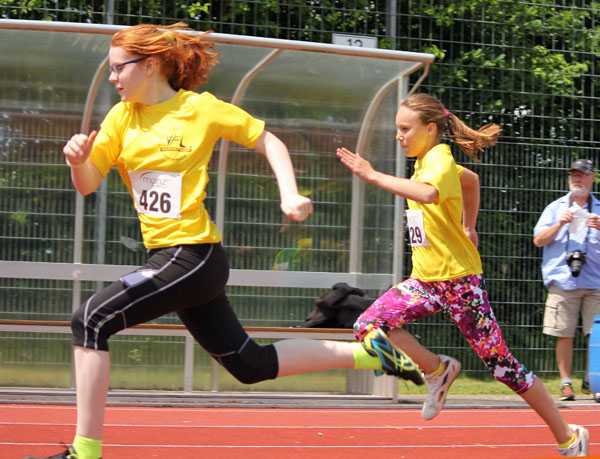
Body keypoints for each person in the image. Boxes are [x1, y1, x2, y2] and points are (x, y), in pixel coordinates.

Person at [25, 22, 425, 459]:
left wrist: (288, 192)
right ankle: (369, 353)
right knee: (248, 365)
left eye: (119, 68)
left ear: (152, 64)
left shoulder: (201, 109)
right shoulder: (122, 117)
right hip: (169, 259)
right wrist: (77, 160)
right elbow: (87, 184)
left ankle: (85, 452)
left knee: (92, 319)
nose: (113, 77)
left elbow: (269, 139)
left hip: (193, 256)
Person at [336, 93, 590, 456]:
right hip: (425, 282)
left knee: (504, 368)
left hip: (459, 284)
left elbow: (428, 193)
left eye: (405, 129)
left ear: (430, 128)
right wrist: (469, 225)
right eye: (397, 129)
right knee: (370, 325)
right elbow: (470, 180)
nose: (399, 136)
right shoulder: (425, 160)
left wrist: (372, 174)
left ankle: (568, 436)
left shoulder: (438, 161)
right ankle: (438, 370)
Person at [533, 159, 600, 403]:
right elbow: (538, 240)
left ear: (592, 178)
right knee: (564, 333)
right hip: (563, 282)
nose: (577, 179)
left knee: (597, 336)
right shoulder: (554, 209)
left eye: (582, 175)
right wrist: (559, 223)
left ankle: (595, 381)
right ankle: (566, 383)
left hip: (596, 282)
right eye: (574, 175)